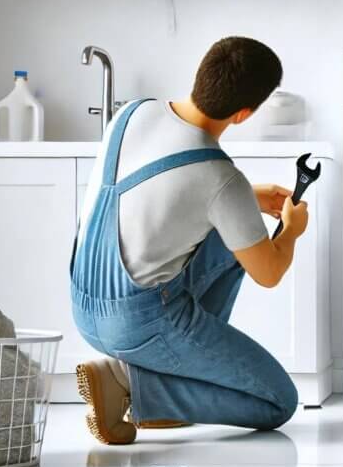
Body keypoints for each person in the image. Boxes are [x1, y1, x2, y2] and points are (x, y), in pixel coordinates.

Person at [70, 37, 308, 445]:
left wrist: (246, 200)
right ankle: (128, 383)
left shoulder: (132, 112)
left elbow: (158, 198)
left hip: (83, 303)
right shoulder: (220, 176)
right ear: (243, 114)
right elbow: (268, 272)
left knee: (235, 233)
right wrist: (291, 231)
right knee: (278, 402)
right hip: (136, 324)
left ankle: (151, 385)